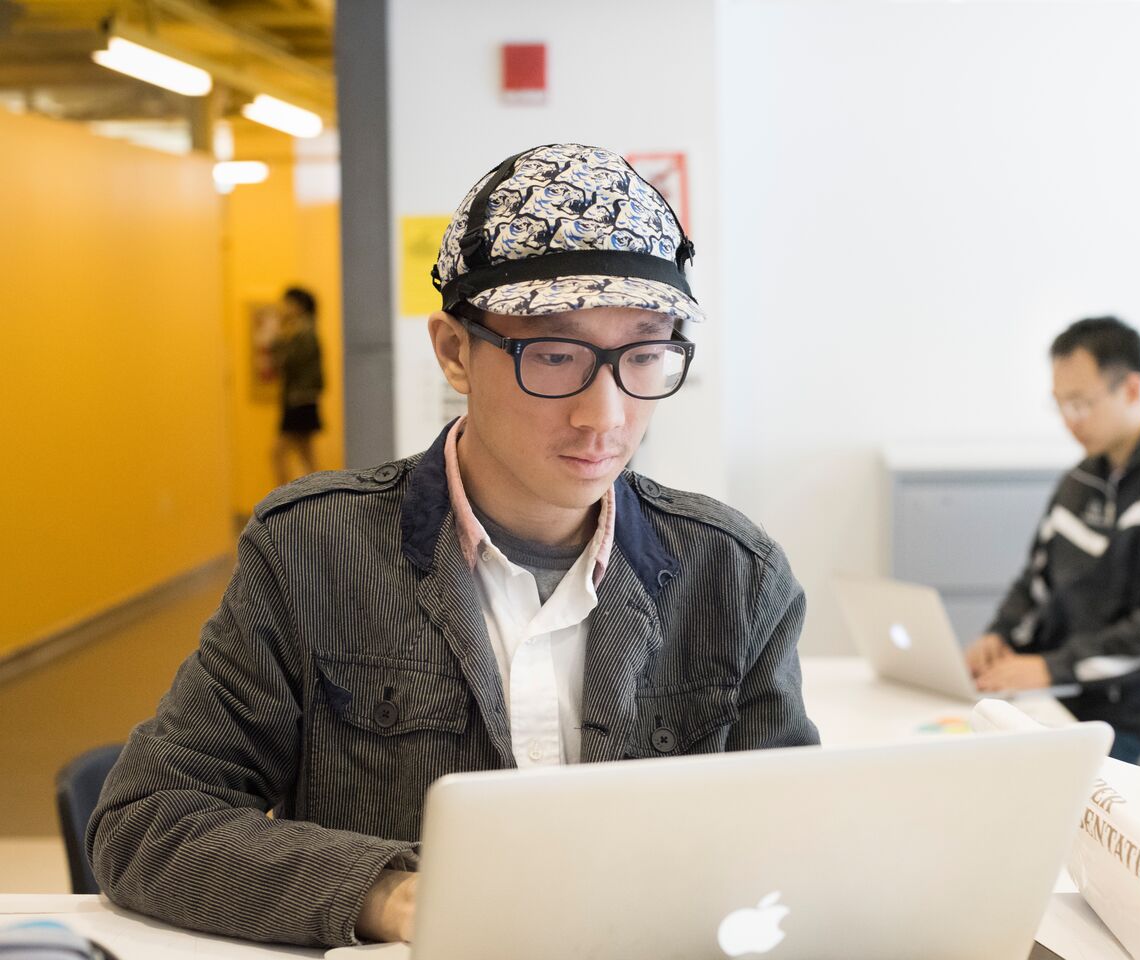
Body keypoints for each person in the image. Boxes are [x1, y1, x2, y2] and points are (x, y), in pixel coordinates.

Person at [87, 143, 819, 947]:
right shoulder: (313, 553)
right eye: (555, 355)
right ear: (453, 351)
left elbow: (795, 849)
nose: (605, 416)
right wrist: (395, 896)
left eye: (644, 353)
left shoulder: (734, 576)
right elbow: (148, 821)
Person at [967, 316, 1140, 763]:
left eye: (1081, 404)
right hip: (1061, 701)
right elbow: (1036, 583)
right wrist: (999, 636)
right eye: (1060, 405)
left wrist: (1054, 667)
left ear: (1130, 389)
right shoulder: (1079, 480)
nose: (1070, 421)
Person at [271, 286, 324, 485]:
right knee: (306, 455)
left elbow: (289, 362)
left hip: (299, 400)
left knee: (278, 453)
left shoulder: (303, 332)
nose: (283, 308)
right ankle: (318, 495)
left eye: (288, 303)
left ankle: (283, 498)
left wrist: (278, 335)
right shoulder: (303, 330)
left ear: (298, 306)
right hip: (302, 399)